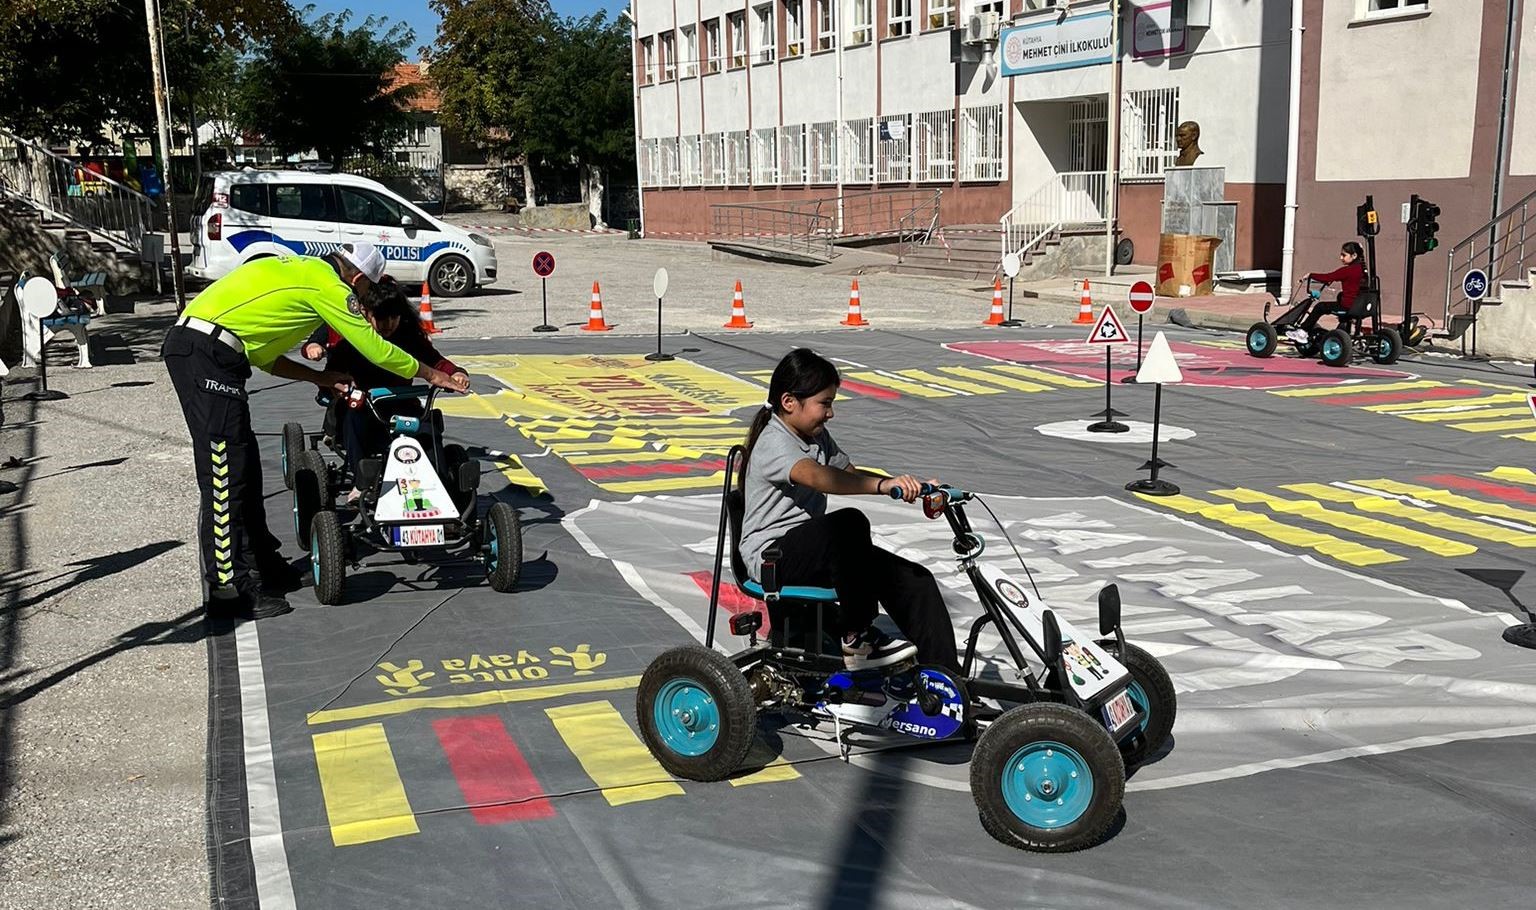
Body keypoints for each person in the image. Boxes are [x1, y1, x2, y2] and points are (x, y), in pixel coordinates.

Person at [162, 243, 468, 620]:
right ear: (357, 279)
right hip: (204, 354)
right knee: (225, 474)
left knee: (246, 465)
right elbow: (376, 349)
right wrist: (434, 374)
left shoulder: (306, 273)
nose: (362, 301)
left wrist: (321, 378)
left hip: (216, 353)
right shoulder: (330, 287)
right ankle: (229, 591)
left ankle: (263, 564)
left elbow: (267, 359)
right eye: (365, 292)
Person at [738, 348, 960, 672]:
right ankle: (857, 637)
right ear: (789, 402)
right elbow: (818, 477)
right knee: (848, 523)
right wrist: (882, 487)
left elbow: (850, 472)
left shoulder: (816, 437)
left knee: (917, 580)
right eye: (824, 404)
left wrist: (905, 484)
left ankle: (947, 685)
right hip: (773, 557)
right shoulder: (775, 440)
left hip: (816, 551)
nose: (830, 413)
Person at [302, 276, 470, 500]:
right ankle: (363, 482)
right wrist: (337, 383)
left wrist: (456, 372)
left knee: (428, 428)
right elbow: (332, 372)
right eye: (381, 318)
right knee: (353, 419)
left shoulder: (409, 337)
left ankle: (440, 489)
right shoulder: (355, 339)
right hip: (363, 406)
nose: (388, 324)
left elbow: (435, 361)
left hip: (401, 404)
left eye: (394, 317)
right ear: (366, 314)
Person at [1287, 241, 1366, 344]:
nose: (1341, 258)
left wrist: (1311, 275)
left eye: (1344, 255)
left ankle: (1303, 331)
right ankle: (1346, 330)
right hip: (1360, 306)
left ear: (1354, 255)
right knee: (1340, 296)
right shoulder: (1362, 270)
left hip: (1348, 306)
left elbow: (1328, 277)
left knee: (1320, 307)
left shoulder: (1347, 271)